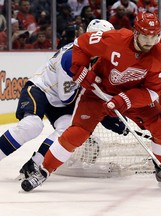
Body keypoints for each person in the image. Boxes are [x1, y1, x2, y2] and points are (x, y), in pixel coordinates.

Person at [20, 12, 161, 192]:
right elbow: (81, 43)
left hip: (132, 96)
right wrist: (80, 68)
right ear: (135, 32)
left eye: (154, 36)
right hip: (98, 92)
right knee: (77, 132)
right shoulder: (115, 39)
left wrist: (125, 100)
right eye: (145, 36)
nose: (149, 41)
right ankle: (44, 170)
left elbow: (153, 91)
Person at [0, 19, 121, 179]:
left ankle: (34, 165)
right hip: (41, 89)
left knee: (67, 129)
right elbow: (67, 98)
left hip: (60, 98)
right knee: (32, 125)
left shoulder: (97, 59)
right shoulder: (72, 57)